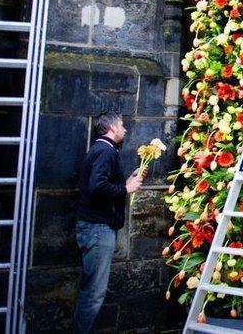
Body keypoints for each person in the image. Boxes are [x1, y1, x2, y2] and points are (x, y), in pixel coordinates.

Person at [73, 112, 144, 334]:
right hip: (98, 229)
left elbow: (100, 185)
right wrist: (125, 189)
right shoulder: (105, 151)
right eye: (122, 125)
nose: (125, 129)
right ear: (112, 127)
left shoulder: (103, 150)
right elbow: (97, 186)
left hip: (95, 227)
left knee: (91, 290)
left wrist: (126, 182)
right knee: (93, 293)